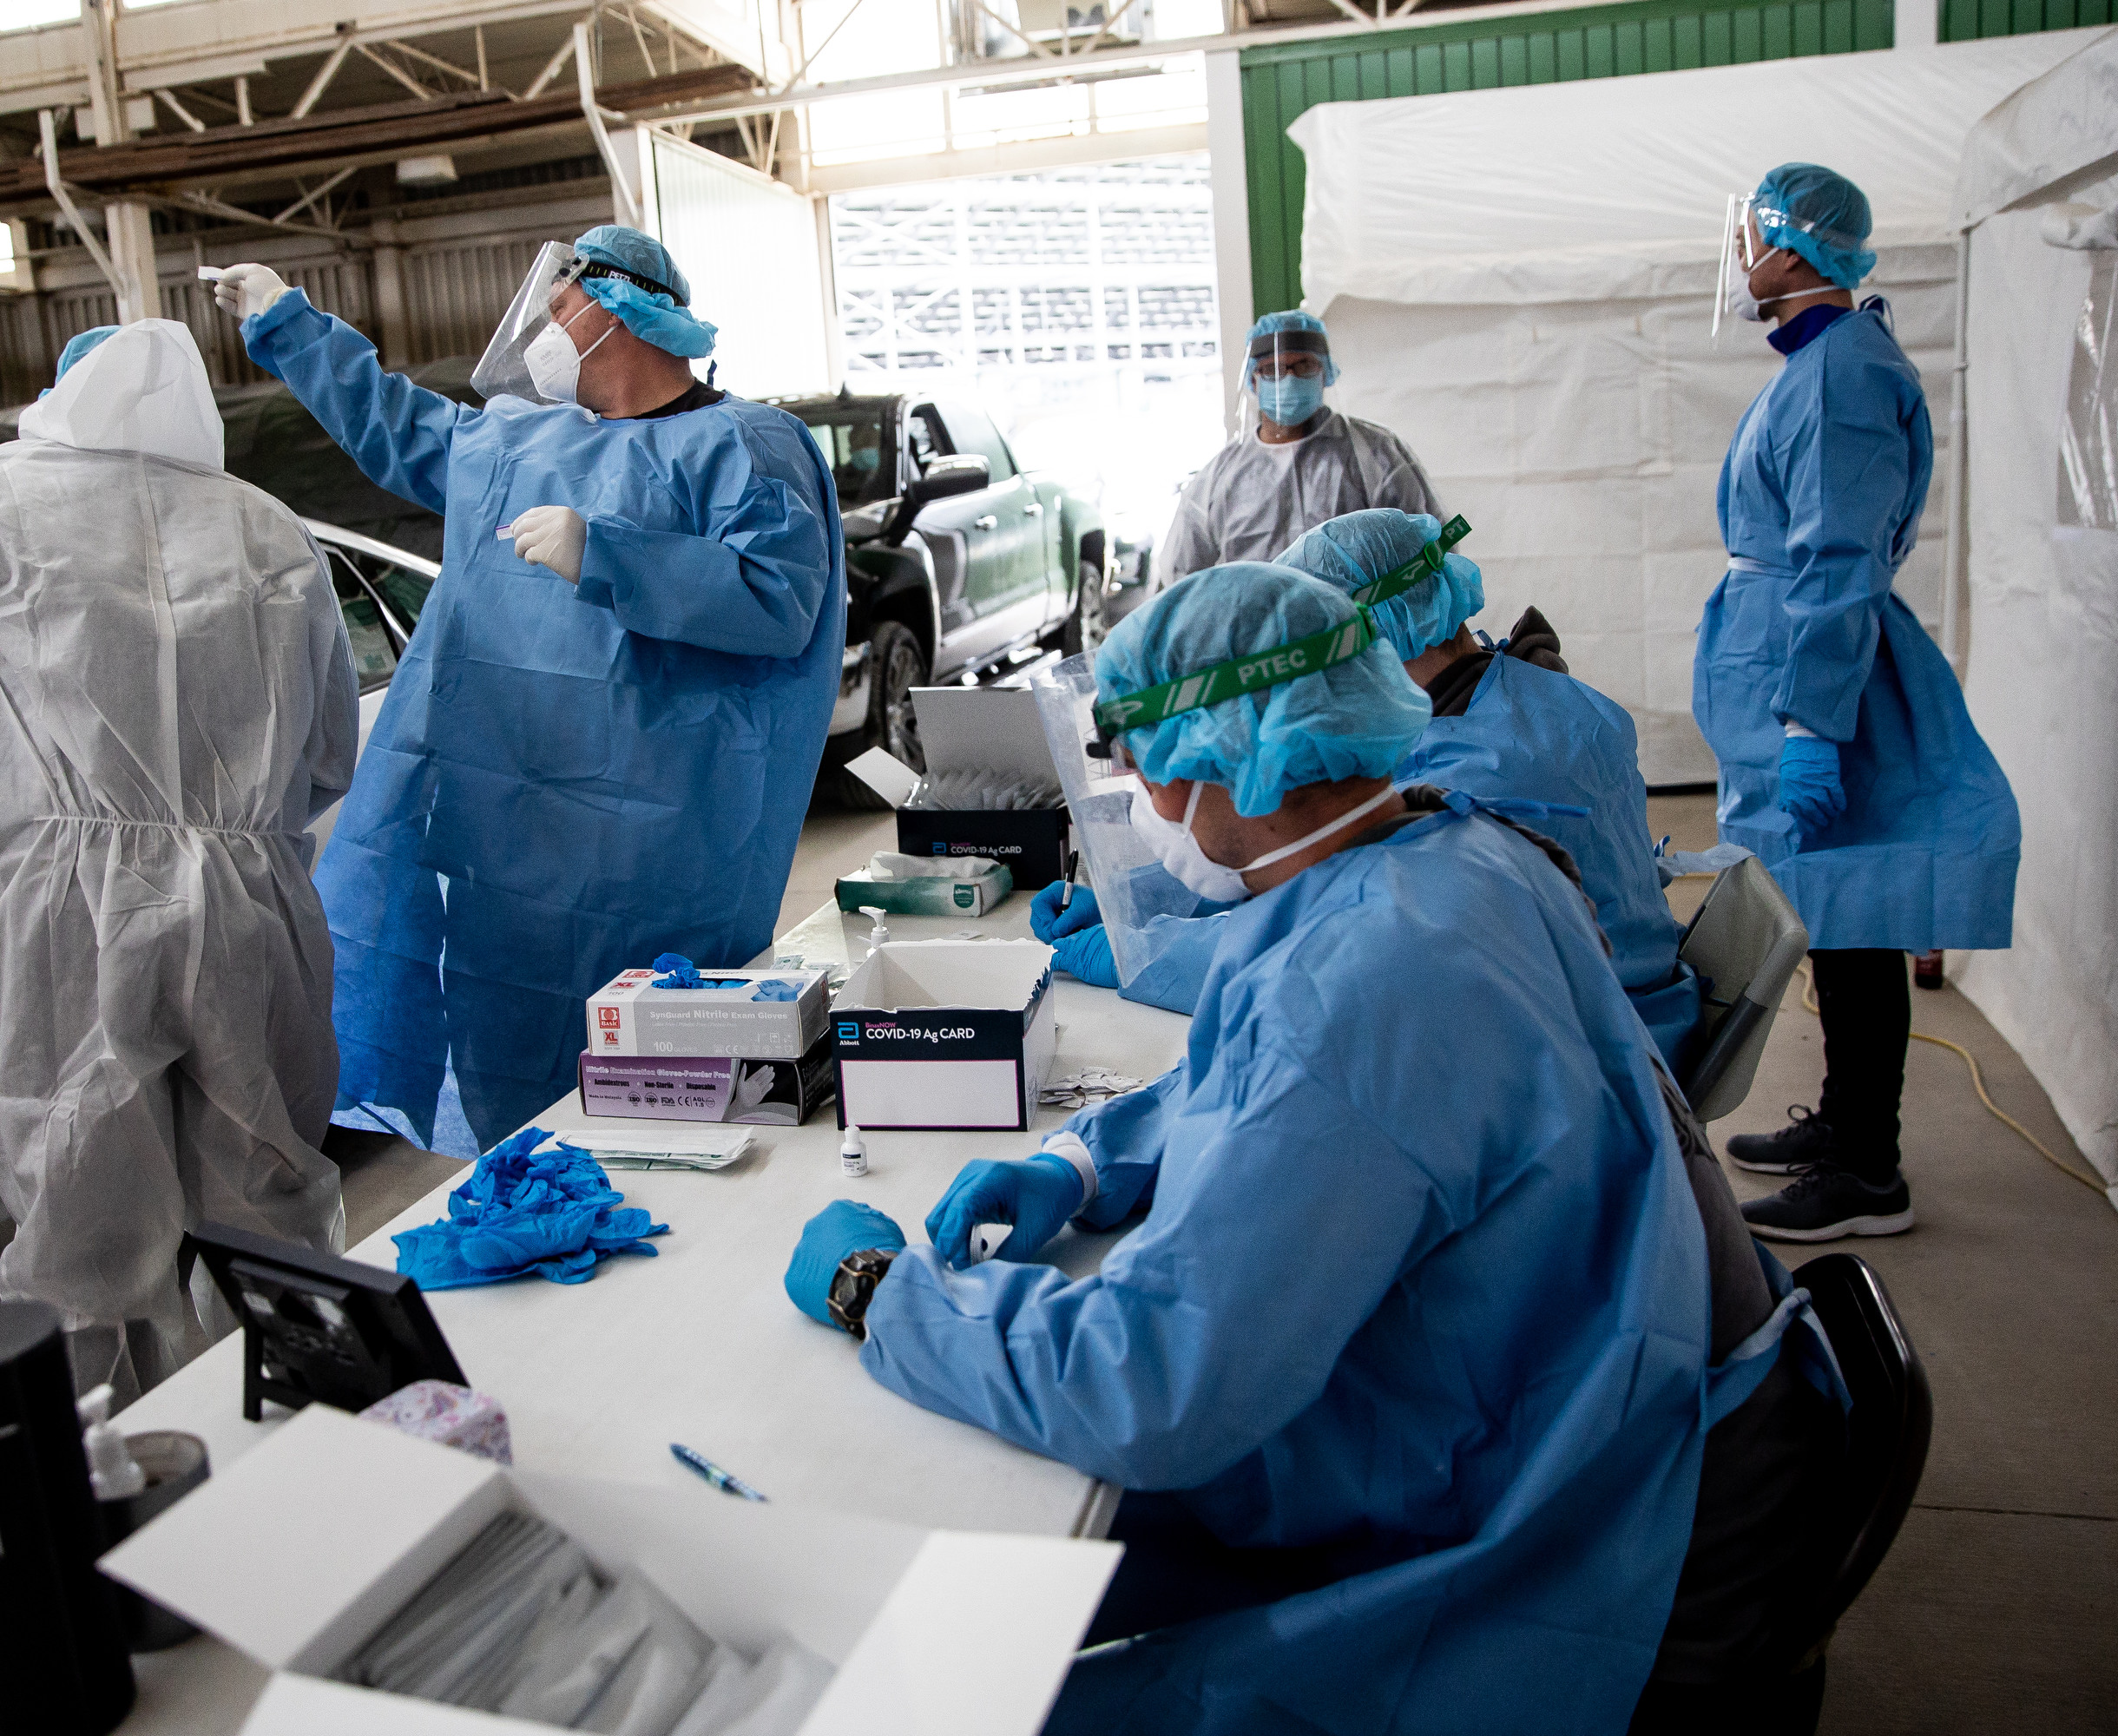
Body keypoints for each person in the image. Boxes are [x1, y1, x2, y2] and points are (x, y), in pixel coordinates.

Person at [784, 562, 1841, 1734]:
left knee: (992, 1697)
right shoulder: (1457, 849)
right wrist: (1084, 1162)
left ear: (1237, 761)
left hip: (1613, 1527)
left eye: (1142, 762)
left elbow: (1156, 1384)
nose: (1138, 798)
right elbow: (1267, 1078)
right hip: (1624, 1389)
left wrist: (885, 1292)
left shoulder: (1360, 981)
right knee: (1028, 1588)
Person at [209, 227, 844, 1157]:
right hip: (503, 863)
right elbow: (392, 424)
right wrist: (287, 324)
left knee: (666, 1104)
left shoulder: (743, 446)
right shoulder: (516, 441)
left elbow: (779, 599)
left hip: (659, 862)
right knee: (517, 1117)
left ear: (618, 312)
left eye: (562, 304)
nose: (546, 326)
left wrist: (609, 553)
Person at [0, 319, 355, 1397]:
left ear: (58, 395)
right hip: (251, 895)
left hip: (64, 908)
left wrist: (28, 808)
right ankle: (307, 1439)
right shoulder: (268, 525)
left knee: (77, 1223)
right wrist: (234, 825)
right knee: (274, 1203)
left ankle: (107, 1465)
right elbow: (325, 754)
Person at [1036, 510, 1701, 1069]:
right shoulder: (1525, 696)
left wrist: (1142, 954)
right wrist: (1137, 898)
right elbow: (1311, 856)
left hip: (1586, 1049)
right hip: (1588, 1004)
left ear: (1369, 631)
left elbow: (1327, 944)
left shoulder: (1485, 775)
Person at [1700, 163, 2021, 1240]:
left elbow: (1837, 559)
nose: (1740, 258)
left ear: (1795, 248)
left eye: (1750, 238)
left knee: (1855, 914)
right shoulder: (1823, 362)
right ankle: (1843, 1122)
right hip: (1796, 662)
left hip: (1817, 674)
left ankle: (1868, 1170)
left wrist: (1810, 725)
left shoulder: (1840, 374)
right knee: (1834, 914)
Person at [1158, 310, 1441, 575]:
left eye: (1304, 365)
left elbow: (1431, 548)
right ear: (1253, 380)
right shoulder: (1220, 477)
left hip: (1357, 614)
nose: (1290, 379)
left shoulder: (1376, 453)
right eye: (1273, 369)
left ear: (1325, 372)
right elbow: (1182, 576)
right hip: (1257, 614)